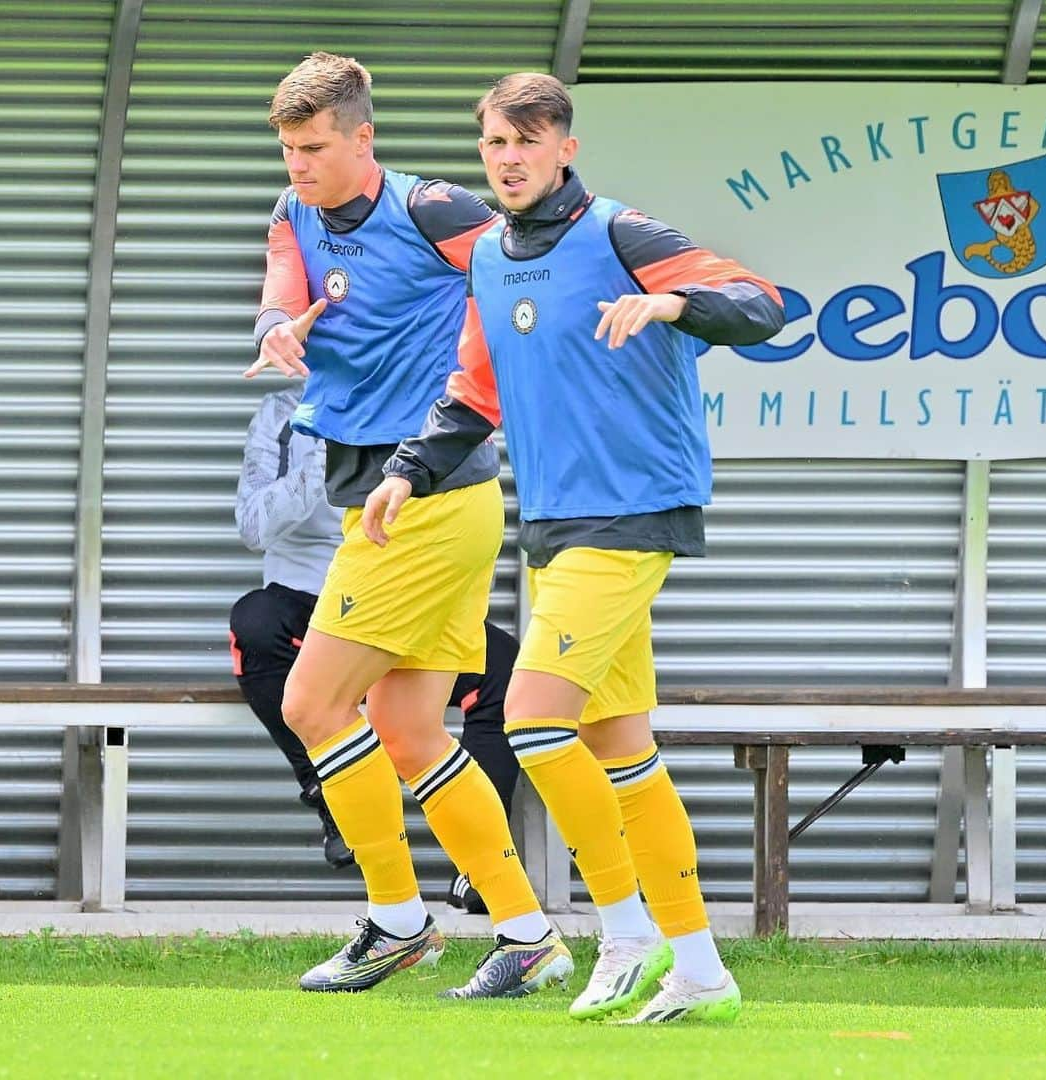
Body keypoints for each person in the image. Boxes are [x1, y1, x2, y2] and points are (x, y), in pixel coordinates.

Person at [363, 72, 785, 1023]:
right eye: (494, 144)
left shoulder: (624, 236)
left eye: (527, 140)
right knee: (621, 747)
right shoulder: (492, 260)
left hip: (634, 515)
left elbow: (763, 303)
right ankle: (704, 971)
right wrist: (403, 471)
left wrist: (675, 307)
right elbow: (474, 391)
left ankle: (625, 930)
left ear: (565, 148)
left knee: (533, 722)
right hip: (554, 526)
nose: (507, 159)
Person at [246, 53, 572, 996]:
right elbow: (280, 279)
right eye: (288, 148)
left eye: (314, 148)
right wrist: (276, 324)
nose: (298, 165)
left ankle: (396, 921)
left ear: (363, 137)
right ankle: (526, 935)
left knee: (313, 705)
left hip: (426, 496)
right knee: (411, 733)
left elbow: (526, 286)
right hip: (393, 500)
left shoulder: (433, 210)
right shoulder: (291, 208)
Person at [229, 381, 521, 915]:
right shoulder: (281, 414)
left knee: (507, 675)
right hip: (308, 594)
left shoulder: (416, 400)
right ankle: (332, 800)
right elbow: (252, 525)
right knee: (255, 628)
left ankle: (481, 867)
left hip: (399, 589)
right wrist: (324, 455)